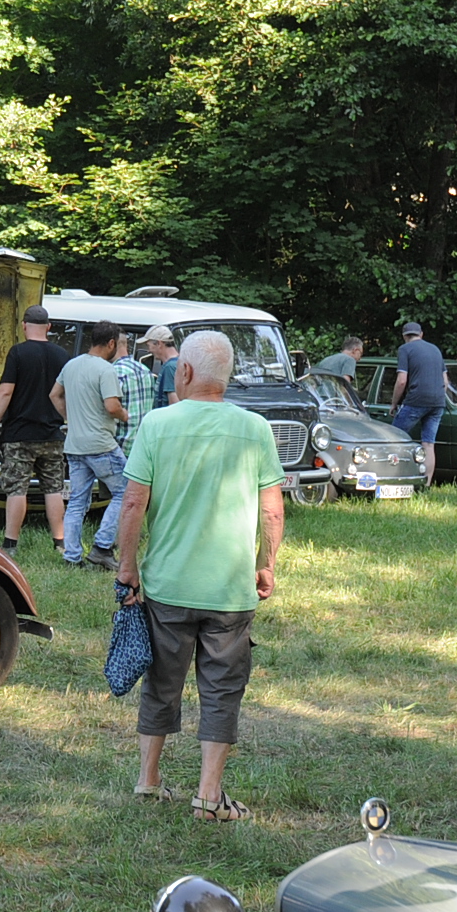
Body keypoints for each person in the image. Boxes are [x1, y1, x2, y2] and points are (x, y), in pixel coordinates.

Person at [114, 330, 283, 823]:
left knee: (161, 682)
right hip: (229, 590)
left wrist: (127, 566)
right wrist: (266, 563)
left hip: (167, 585)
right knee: (222, 690)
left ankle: (149, 780)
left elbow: (133, 502)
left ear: (184, 372)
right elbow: (272, 510)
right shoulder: (255, 429)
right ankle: (208, 796)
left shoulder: (157, 425)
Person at [0, 305, 71, 554]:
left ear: (24, 326)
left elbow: (6, 391)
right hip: (53, 434)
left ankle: (10, 544)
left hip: (19, 434)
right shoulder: (62, 355)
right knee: (54, 488)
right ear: (48, 327)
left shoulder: (18, 353)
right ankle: (60, 542)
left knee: (17, 488)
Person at [52, 322, 130, 568]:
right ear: (111, 343)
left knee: (77, 501)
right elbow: (112, 406)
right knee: (126, 491)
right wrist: (126, 416)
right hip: (101, 444)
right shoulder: (106, 370)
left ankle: (72, 556)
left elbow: (54, 394)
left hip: (74, 445)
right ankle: (102, 547)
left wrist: (70, 417)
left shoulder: (71, 365)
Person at [389, 321, 447, 483]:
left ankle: (394, 478)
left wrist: (394, 404)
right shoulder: (435, 349)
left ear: (404, 336)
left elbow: (402, 381)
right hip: (438, 402)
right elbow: (445, 381)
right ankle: (426, 483)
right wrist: (438, 397)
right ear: (421, 334)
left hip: (416, 400)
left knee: (394, 438)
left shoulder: (405, 349)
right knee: (428, 444)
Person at [112, 331, 154, 458]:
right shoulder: (145, 370)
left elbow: (110, 408)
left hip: (119, 447)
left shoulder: (115, 372)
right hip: (142, 446)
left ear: (111, 344)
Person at [142, 325, 180, 410]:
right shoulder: (180, 362)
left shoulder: (170, 367)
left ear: (159, 344)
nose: (149, 350)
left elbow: (174, 404)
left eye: (148, 346)